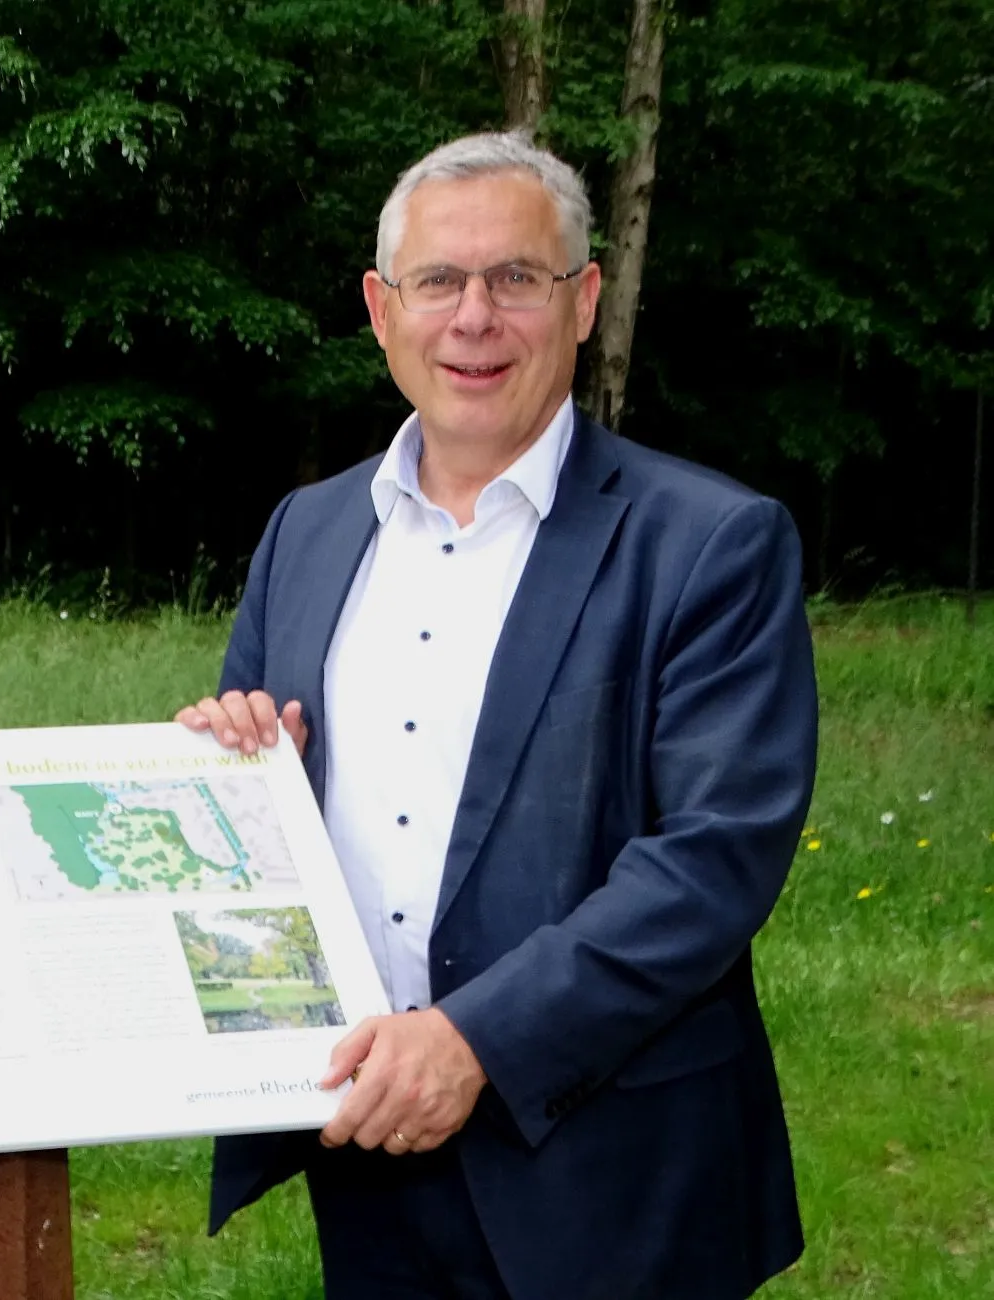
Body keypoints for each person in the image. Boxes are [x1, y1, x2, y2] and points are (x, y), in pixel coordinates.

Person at [178, 131, 816, 1300]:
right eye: (438, 281)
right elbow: (258, 793)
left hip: (612, 1172)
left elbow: (713, 860)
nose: (474, 317)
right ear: (382, 309)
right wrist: (234, 761)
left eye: (515, 278)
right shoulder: (303, 533)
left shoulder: (709, 542)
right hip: (365, 1145)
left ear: (581, 303)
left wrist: (474, 1042)